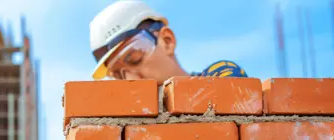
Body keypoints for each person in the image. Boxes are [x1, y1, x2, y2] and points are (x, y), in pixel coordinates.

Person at [90, 0, 248, 82]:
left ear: (167, 41)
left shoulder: (220, 74)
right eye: (119, 76)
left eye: (134, 58)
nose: (131, 80)